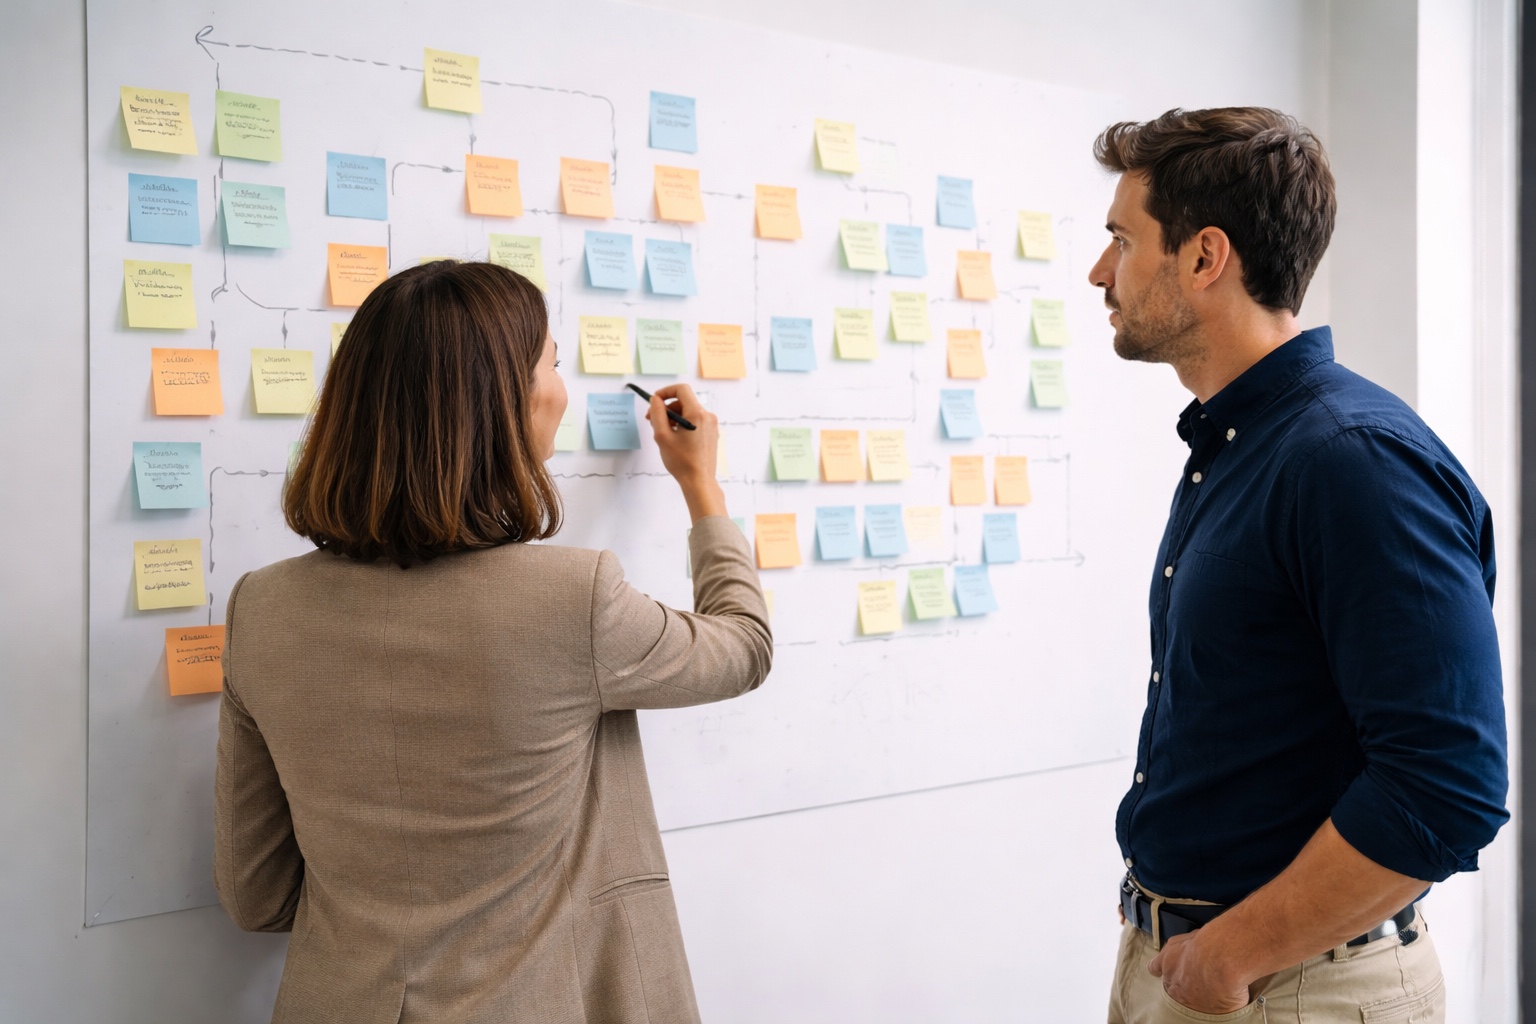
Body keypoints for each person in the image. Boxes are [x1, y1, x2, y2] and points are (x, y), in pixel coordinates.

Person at [213, 260, 772, 1023]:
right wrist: (702, 487)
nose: (561, 390)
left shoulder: (261, 609)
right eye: (552, 364)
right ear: (503, 401)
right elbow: (742, 646)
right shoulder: (573, 598)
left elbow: (257, 895)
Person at [1088, 107, 1507, 1023]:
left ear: (1204, 258)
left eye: (1121, 239)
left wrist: (1234, 952)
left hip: (1291, 985)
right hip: (1188, 959)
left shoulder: (1351, 461)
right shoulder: (1241, 443)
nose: (1099, 271)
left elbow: (1448, 783)